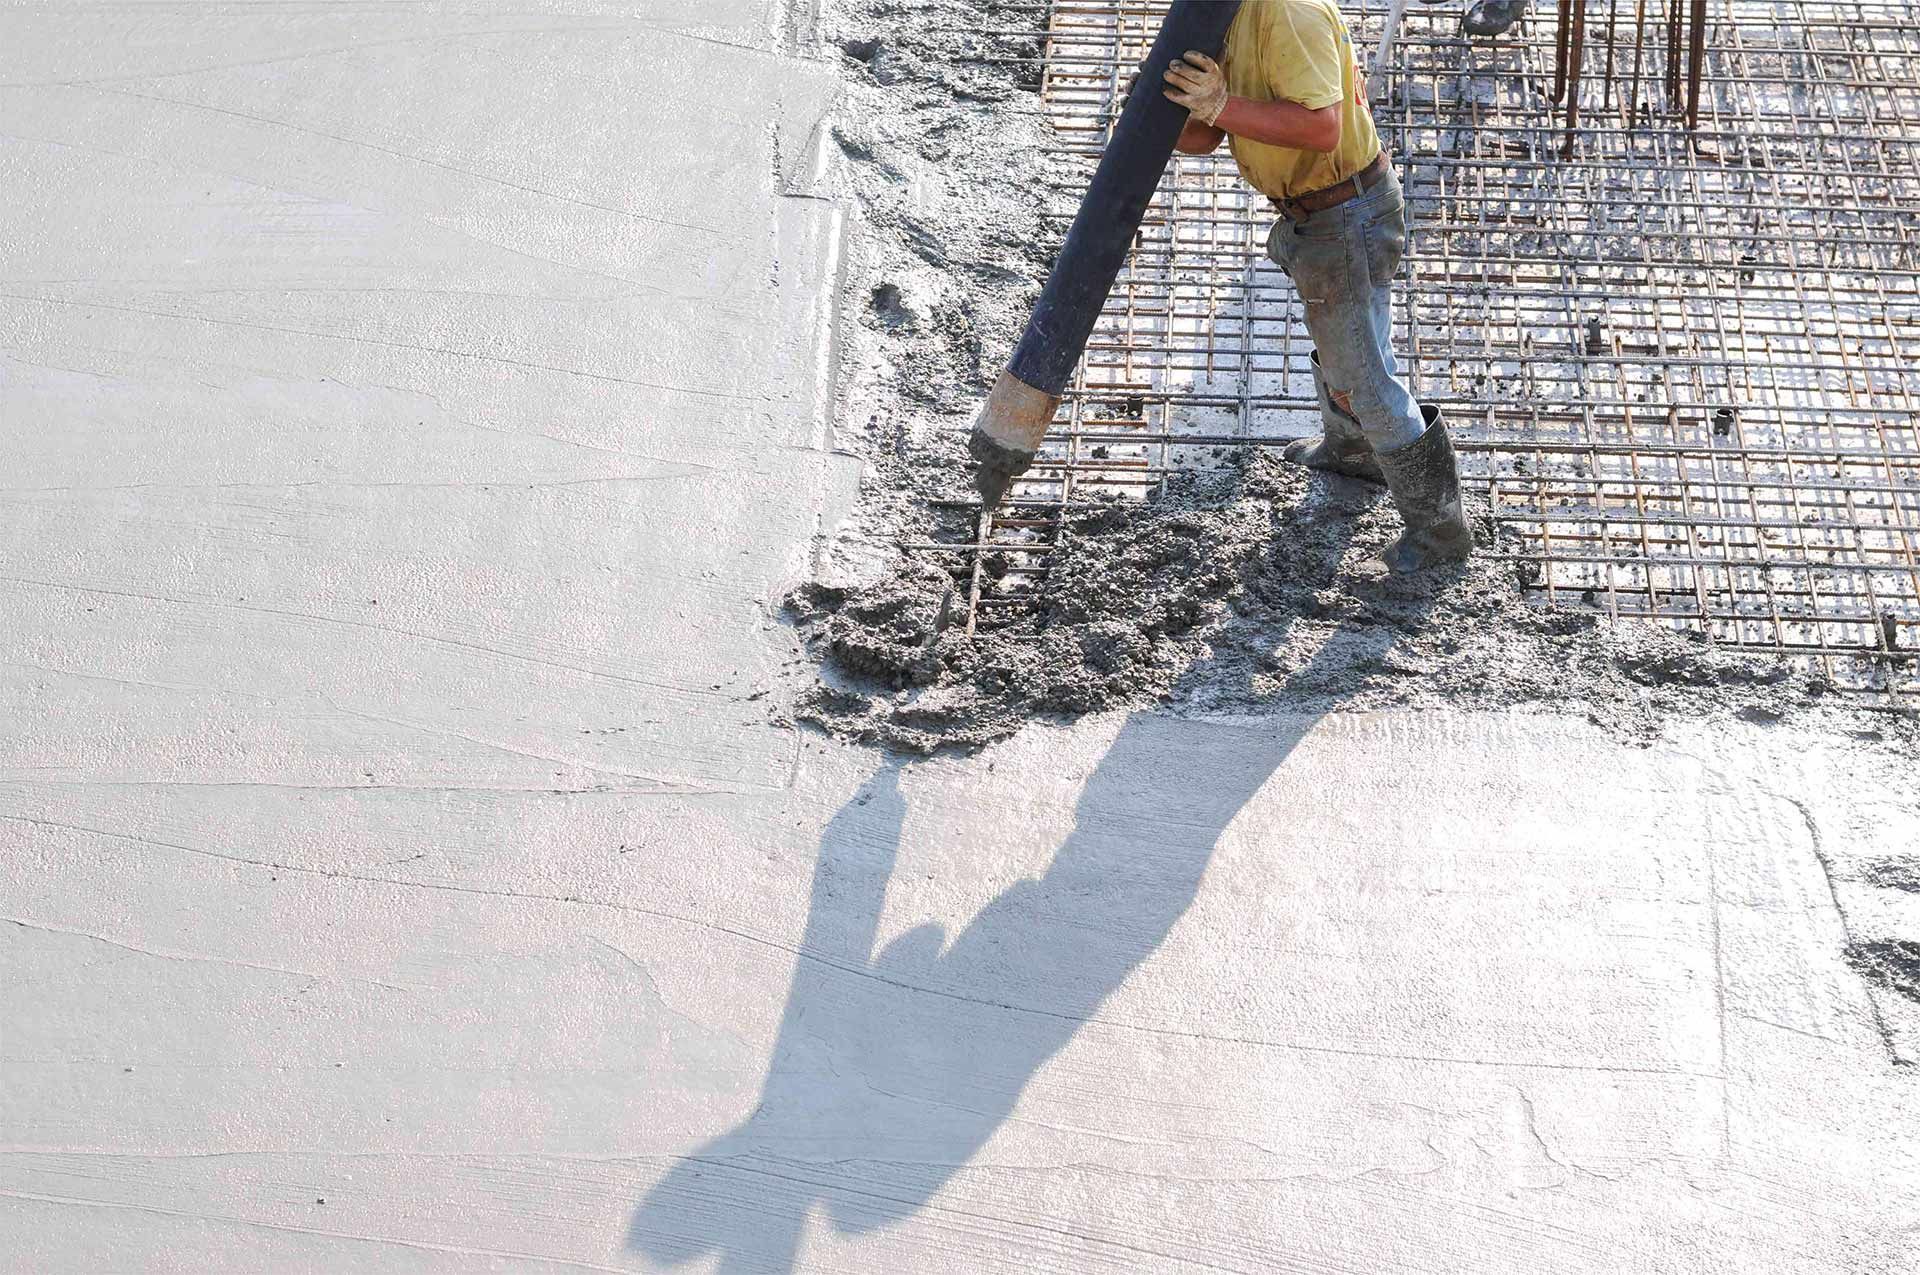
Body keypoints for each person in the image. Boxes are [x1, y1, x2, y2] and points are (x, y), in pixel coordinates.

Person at [1163, 0, 1471, 573]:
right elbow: (1208, 135)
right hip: (1317, 212)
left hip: (1347, 212)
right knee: (1344, 341)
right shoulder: (1224, 10)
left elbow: (1321, 128)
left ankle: (1440, 532)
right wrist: (1176, 109)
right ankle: (1353, 451)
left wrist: (1222, 103)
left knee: (1362, 373)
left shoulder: (1288, 12)